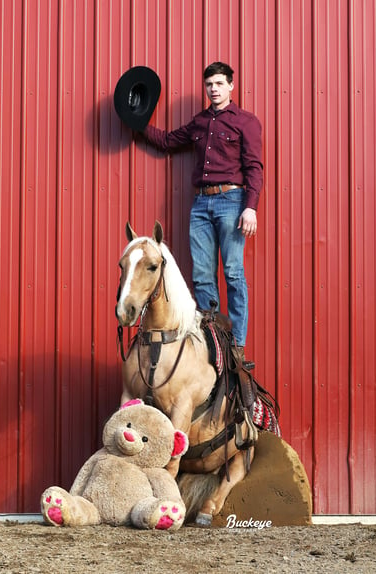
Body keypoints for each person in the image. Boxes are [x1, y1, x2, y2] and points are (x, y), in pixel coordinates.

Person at [135, 61, 263, 369]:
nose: (214, 89)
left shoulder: (246, 122)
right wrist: (135, 120)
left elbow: (255, 167)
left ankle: (237, 347)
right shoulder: (200, 122)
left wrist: (250, 207)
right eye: (209, 85)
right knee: (203, 277)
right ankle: (212, 343)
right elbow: (167, 141)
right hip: (201, 206)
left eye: (219, 84)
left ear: (231, 86)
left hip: (232, 201)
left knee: (233, 272)